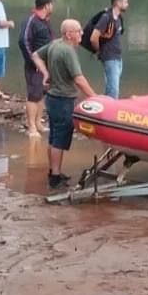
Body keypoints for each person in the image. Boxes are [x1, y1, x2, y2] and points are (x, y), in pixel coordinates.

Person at [31, 19, 97, 189]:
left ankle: (54, 172)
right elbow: (79, 79)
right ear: (69, 34)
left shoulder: (55, 44)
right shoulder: (67, 51)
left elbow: (35, 55)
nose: (82, 33)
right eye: (78, 31)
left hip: (52, 98)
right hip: (62, 100)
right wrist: (95, 98)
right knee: (59, 139)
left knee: (54, 137)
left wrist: (45, 73)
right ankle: (55, 176)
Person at [18, 0, 55, 137]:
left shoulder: (45, 21)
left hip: (46, 65)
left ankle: (39, 123)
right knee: (33, 95)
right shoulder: (31, 21)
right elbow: (23, 42)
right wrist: (34, 62)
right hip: (34, 65)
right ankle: (31, 127)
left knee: (41, 94)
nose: (53, 7)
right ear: (46, 6)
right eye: (51, 4)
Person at [89, 0, 128, 99]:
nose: (127, 4)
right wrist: (98, 50)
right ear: (117, 3)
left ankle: (105, 108)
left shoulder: (119, 18)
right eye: (125, 2)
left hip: (117, 58)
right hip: (109, 58)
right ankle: (110, 113)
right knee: (113, 91)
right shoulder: (106, 17)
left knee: (111, 87)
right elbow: (93, 38)